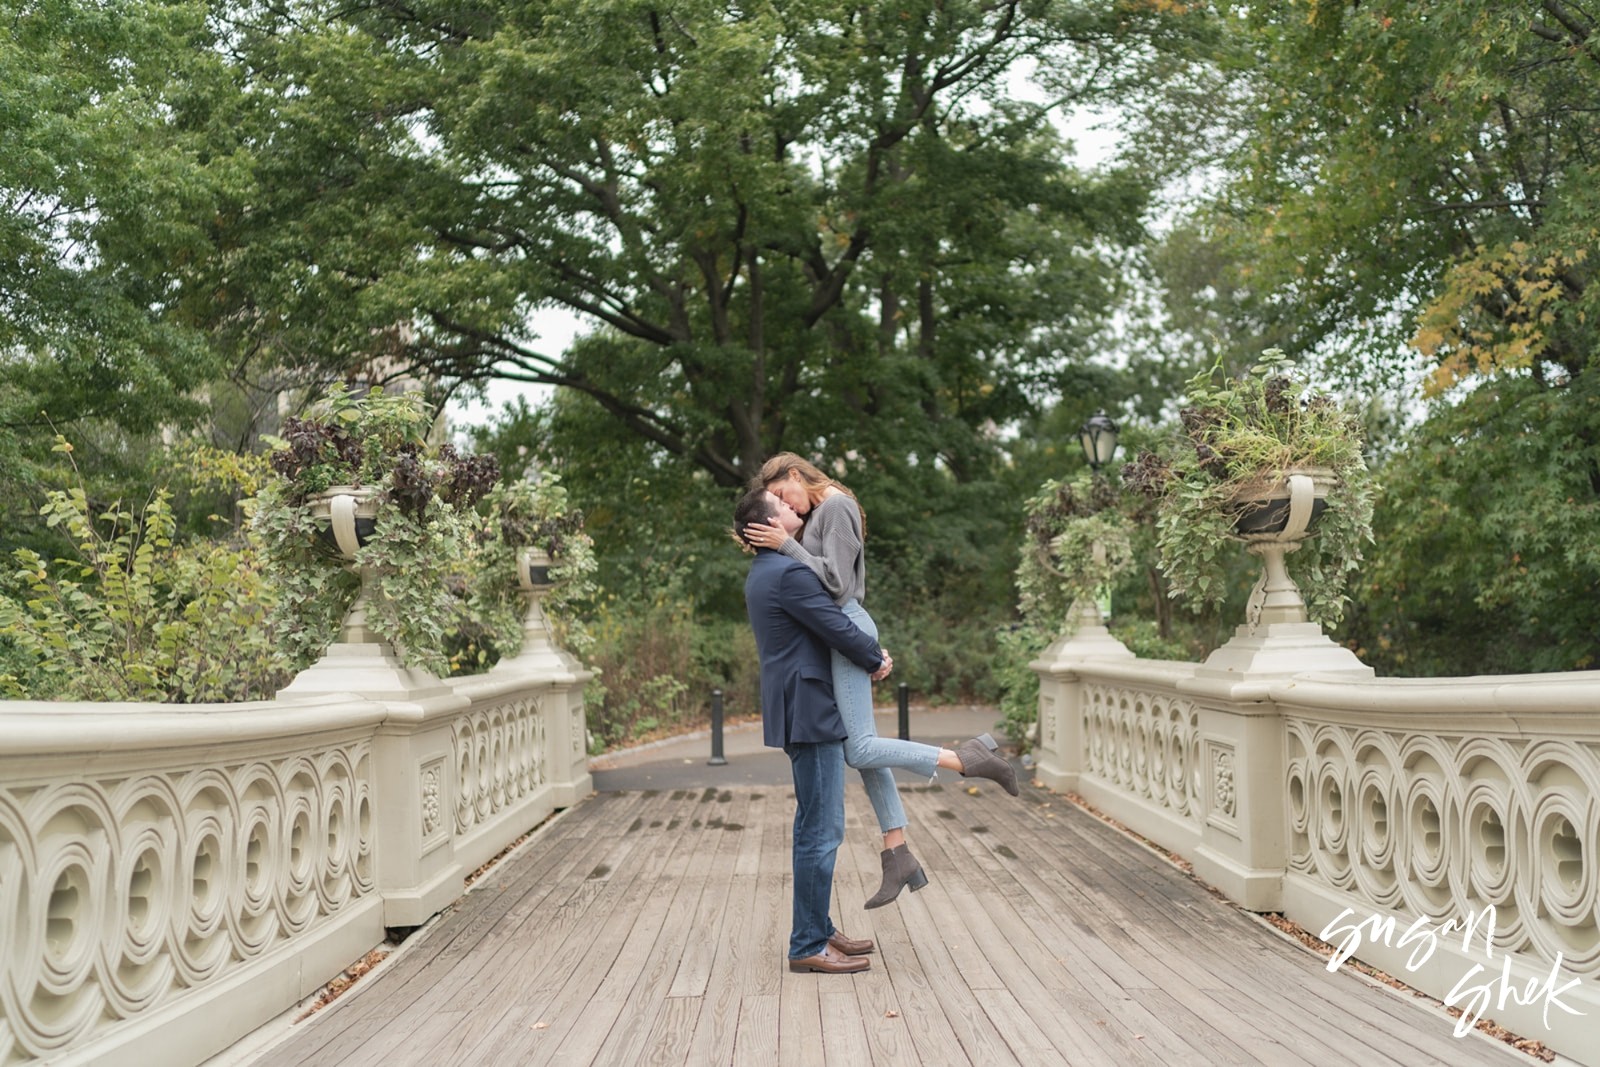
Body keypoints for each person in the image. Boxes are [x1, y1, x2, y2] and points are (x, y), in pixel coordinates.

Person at [743, 453, 1018, 910]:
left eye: (779, 494)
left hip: (846, 624)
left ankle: (967, 758)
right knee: (862, 746)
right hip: (839, 632)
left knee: (859, 748)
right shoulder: (820, 512)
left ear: (794, 475)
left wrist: (785, 546)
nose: (781, 505)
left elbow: (836, 586)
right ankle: (897, 851)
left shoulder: (836, 507)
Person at [735, 488, 889, 975]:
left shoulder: (766, 572)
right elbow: (834, 627)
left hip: (800, 707)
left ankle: (818, 928)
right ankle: (807, 943)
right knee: (822, 830)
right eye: (781, 506)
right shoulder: (789, 573)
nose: (794, 509)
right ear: (767, 524)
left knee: (813, 826)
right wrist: (875, 658)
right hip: (810, 709)